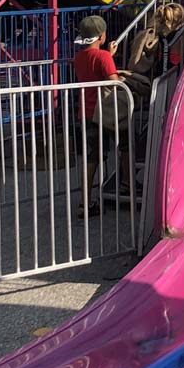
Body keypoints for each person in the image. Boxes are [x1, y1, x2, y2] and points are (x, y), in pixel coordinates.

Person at [72, 14, 121, 218]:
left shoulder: (79, 57)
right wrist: (109, 56)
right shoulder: (103, 57)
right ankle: (86, 202)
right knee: (95, 158)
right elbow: (114, 80)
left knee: (90, 157)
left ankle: (86, 200)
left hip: (84, 110)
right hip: (100, 111)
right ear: (101, 36)